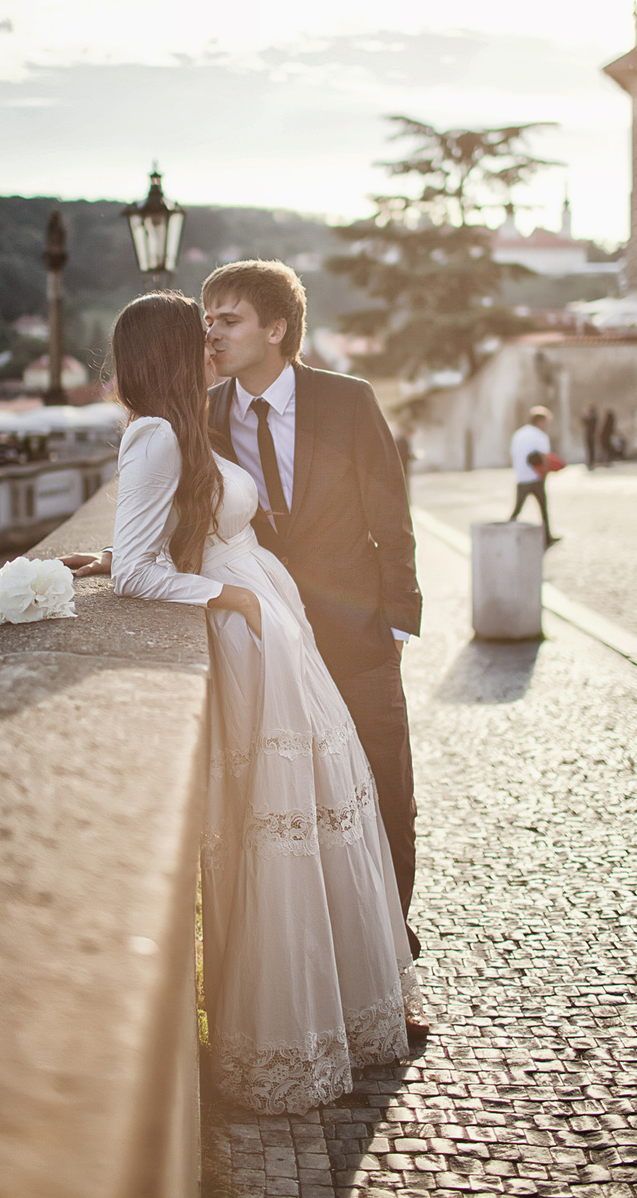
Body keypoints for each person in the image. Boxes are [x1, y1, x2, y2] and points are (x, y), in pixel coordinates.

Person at [78, 291, 421, 1116]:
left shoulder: (201, 420)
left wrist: (395, 616)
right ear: (169, 351)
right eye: (199, 335)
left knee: (341, 810)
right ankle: (287, 1029)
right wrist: (231, 600)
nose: (213, 346)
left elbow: (165, 533)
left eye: (223, 328)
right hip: (254, 631)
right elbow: (139, 567)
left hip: (295, 627)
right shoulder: (162, 431)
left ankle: (348, 1001)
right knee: (281, 830)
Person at [508, 406, 560, 547]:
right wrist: (545, 474)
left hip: (521, 478)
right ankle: (547, 538)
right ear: (540, 421)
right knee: (543, 509)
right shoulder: (540, 436)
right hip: (536, 479)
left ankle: (505, 534)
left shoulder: (518, 434)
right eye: (546, 422)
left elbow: (513, 456)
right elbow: (545, 458)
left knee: (517, 509)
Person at [581, 404, 598, 470]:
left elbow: (585, 422)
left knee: (591, 450)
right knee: (590, 450)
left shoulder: (593, 418)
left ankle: (591, 462)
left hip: (591, 436)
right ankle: (591, 462)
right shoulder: (593, 418)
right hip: (590, 436)